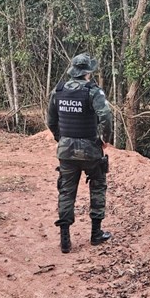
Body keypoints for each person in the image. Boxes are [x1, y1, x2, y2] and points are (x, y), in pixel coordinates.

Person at [47, 53, 114, 254]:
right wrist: (105, 140)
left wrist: (62, 138)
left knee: (66, 192)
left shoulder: (58, 90)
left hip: (66, 150)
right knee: (98, 186)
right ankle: (96, 234)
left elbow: (51, 120)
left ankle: (65, 241)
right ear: (88, 72)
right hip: (90, 150)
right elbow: (106, 116)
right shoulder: (93, 92)